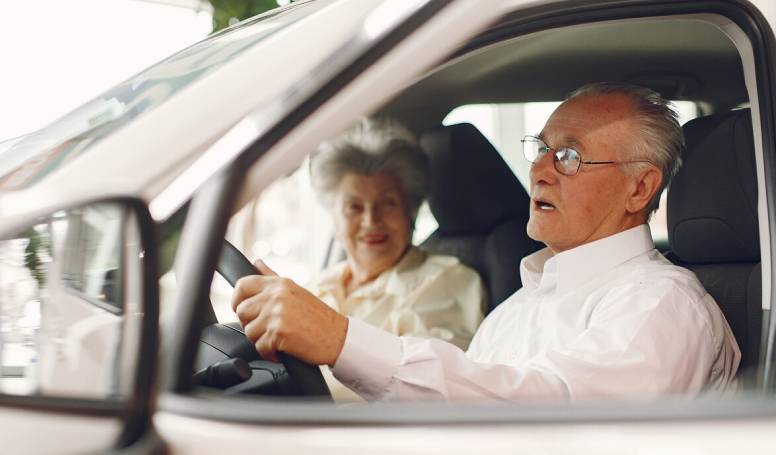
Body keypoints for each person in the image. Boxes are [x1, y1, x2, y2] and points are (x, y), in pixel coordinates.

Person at [232, 83, 740, 402]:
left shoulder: (662, 305)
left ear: (640, 188)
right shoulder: (515, 309)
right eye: (541, 149)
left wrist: (340, 340)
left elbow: (551, 416)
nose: (539, 171)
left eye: (568, 156)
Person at [308, 117, 485, 400]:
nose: (371, 221)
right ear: (335, 220)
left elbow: (429, 390)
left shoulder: (446, 282)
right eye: (354, 207)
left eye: (388, 204)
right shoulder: (320, 285)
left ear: (410, 213)